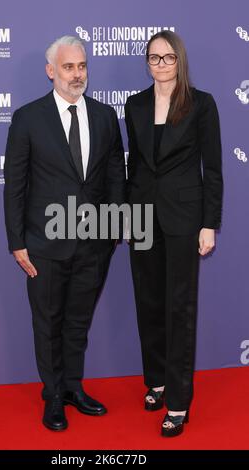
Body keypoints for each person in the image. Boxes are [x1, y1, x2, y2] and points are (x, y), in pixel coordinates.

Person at [4, 36, 125, 431]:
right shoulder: (28, 118)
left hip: (94, 243)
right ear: (51, 71)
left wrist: (114, 231)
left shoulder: (106, 116)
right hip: (43, 244)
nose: (78, 74)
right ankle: (53, 395)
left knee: (77, 322)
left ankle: (73, 387)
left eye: (82, 66)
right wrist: (17, 241)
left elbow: (114, 178)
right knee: (48, 322)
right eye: (69, 67)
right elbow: (15, 185)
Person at [125, 31, 223, 437]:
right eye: (154, 58)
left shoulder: (201, 104)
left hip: (185, 220)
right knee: (149, 302)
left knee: (178, 308)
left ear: (179, 61)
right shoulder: (134, 105)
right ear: (146, 62)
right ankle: (157, 382)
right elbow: (134, 168)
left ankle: (179, 403)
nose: (161, 65)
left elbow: (212, 169)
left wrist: (209, 223)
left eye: (168, 58)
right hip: (142, 218)